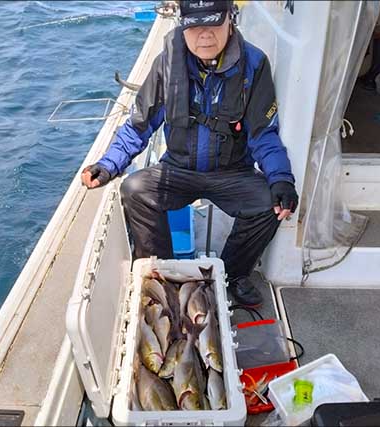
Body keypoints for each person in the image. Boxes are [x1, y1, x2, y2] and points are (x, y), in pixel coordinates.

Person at [81, 0, 297, 307]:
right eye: (194, 26)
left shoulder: (254, 64)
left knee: (270, 204)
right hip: (178, 169)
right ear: (183, 26)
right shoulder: (166, 63)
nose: (204, 35)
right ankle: (163, 277)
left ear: (231, 18)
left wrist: (281, 179)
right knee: (135, 189)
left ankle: (231, 275)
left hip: (232, 172)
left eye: (213, 23)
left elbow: (264, 134)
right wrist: (108, 164)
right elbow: (139, 126)